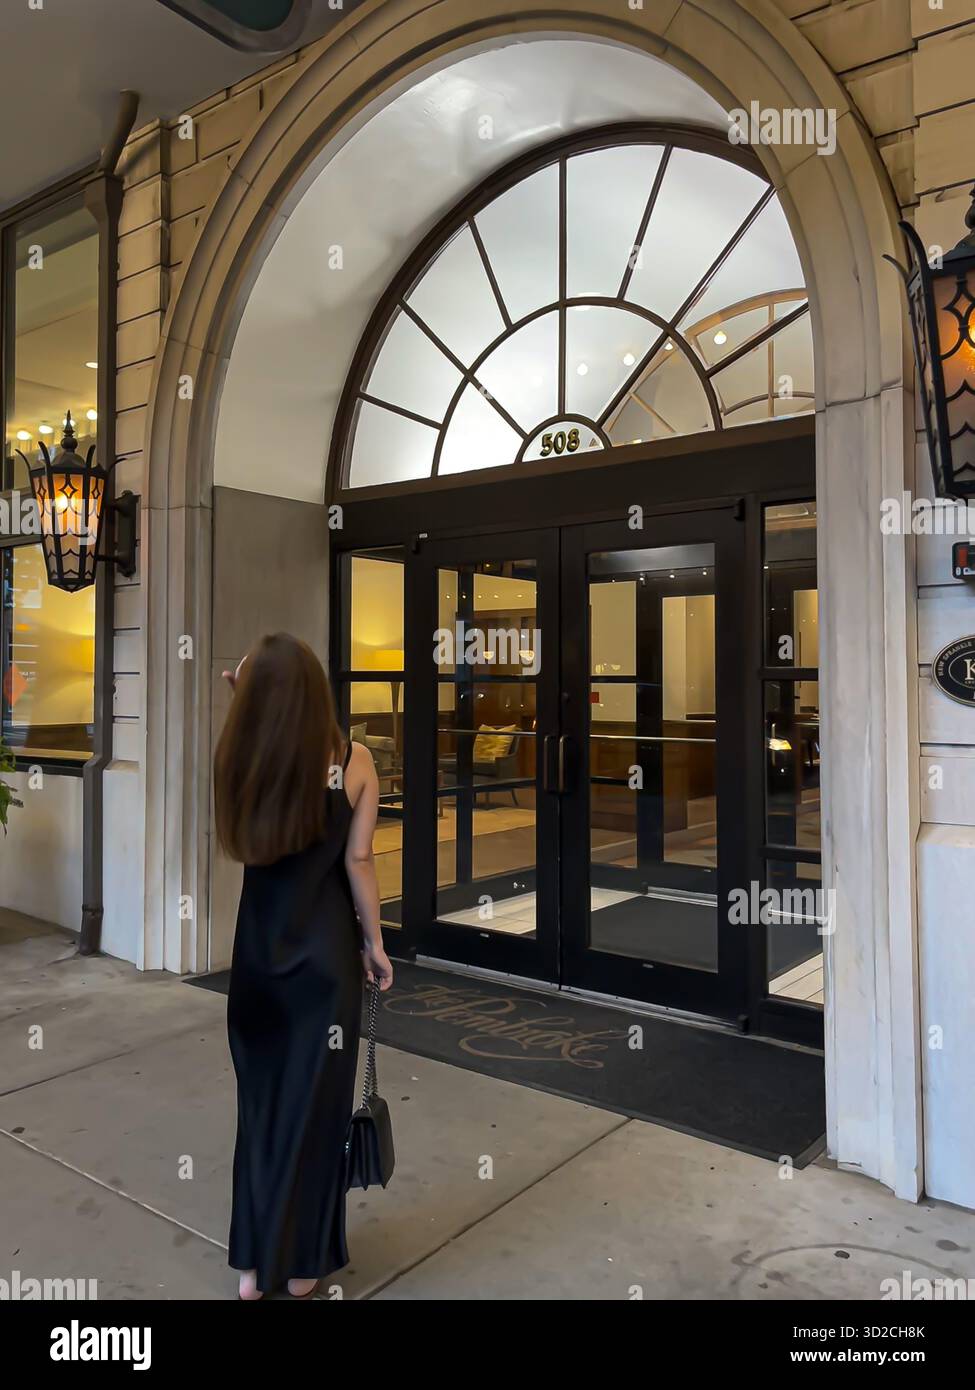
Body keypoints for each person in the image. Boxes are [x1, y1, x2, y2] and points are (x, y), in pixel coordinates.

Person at [213, 633, 394, 1300]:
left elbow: (264, 730)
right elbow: (358, 863)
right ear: (321, 692)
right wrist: (373, 943)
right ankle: (302, 1263)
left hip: (258, 960)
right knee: (315, 1114)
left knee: (259, 1110)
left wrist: (245, 696)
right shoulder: (354, 762)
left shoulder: (241, 757)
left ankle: (252, 1267)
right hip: (324, 965)